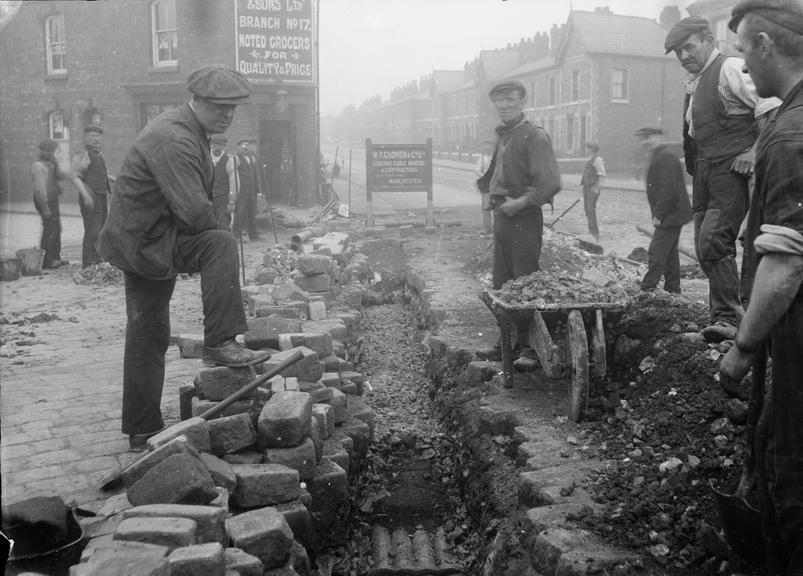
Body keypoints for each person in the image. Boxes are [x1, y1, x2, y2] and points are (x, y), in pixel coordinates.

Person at [97, 65, 271, 451]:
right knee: (218, 245)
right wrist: (217, 229)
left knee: (149, 330)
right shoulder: (175, 139)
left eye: (233, 107)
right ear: (197, 100)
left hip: (154, 236)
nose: (227, 114)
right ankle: (221, 341)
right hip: (144, 242)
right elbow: (195, 214)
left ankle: (142, 428)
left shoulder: (190, 129)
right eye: (219, 106)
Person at [719, 1, 803, 573]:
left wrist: (744, 348)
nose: (744, 65)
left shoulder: (788, 135)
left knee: (789, 468)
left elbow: (785, 266)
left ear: (767, 44)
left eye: (746, 50)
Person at [664, 16, 780, 343]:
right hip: (705, 172)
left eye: (689, 47)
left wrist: (753, 152)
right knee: (706, 249)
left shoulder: (730, 68)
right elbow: (695, 134)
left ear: (709, 41)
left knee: (713, 241)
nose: (684, 56)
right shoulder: (697, 83)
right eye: (678, 52)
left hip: (732, 170)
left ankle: (731, 319)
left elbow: (772, 108)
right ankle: (720, 319)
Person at [476, 80, 562, 368]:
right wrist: (489, 193)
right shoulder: (504, 137)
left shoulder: (534, 136)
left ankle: (529, 349)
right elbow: (493, 175)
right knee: (502, 285)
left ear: (523, 101)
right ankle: (507, 345)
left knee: (524, 282)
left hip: (523, 219)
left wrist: (520, 203)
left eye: (510, 100)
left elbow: (549, 183)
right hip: (503, 217)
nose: (504, 106)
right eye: (499, 101)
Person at [634, 127, 693, 294]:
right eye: (642, 139)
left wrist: (659, 214)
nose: (645, 141)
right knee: (670, 253)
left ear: (660, 137)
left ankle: (648, 287)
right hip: (673, 212)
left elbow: (668, 188)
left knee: (657, 251)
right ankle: (673, 289)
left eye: (649, 137)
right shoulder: (659, 156)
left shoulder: (664, 157)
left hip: (670, 213)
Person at [30, 139, 93, 269]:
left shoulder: (51, 164)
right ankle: (48, 260)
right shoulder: (39, 166)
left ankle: (55, 257)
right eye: (57, 152)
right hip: (45, 202)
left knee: (56, 228)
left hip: (52, 200)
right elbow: (40, 191)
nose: (59, 155)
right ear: (49, 152)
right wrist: (45, 209)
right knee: (50, 230)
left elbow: (62, 175)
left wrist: (74, 172)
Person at [72, 124, 113, 268]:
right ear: (86, 137)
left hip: (101, 196)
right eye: (92, 136)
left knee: (101, 230)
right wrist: (86, 196)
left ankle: (97, 259)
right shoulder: (83, 153)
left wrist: (111, 179)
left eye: (98, 136)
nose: (96, 139)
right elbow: (75, 177)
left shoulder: (97, 154)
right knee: (92, 231)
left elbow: (95, 172)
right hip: (90, 197)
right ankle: (89, 263)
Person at [232, 137, 261, 242]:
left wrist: (258, 189)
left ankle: (253, 235)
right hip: (241, 189)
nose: (245, 147)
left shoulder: (253, 158)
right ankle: (237, 234)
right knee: (239, 211)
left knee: (252, 211)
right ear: (239, 147)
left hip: (252, 189)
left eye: (247, 145)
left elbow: (256, 174)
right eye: (243, 145)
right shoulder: (236, 158)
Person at [209, 134, 238, 231]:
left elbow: (234, 183)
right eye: (215, 144)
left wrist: (231, 202)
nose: (218, 147)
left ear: (224, 146)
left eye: (221, 145)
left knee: (223, 225)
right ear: (211, 145)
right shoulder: (204, 159)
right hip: (206, 198)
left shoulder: (229, 160)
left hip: (222, 198)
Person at [580, 141, 606, 241]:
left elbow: (602, 174)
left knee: (590, 209)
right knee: (587, 209)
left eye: (587, 148)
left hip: (592, 188)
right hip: (587, 187)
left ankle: (595, 232)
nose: (586, 149)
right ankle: (591, 229)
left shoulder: (598, 159)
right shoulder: (590, 159)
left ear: (591, 149)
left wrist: (596, 188)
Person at [475, 142, 494, 236]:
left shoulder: (497, 157)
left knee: (497, 206)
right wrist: (485, 177)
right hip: (487, 186)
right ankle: (487, 228)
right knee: (486, 207)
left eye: (489, 145)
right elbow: (477, 170)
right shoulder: (482, 158)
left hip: (496, 184)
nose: (487, 148)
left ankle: (497, 228)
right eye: (485, 146)